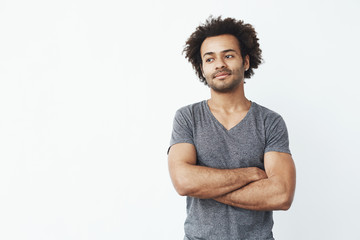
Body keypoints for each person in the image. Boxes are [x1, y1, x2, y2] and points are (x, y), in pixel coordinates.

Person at [167, 16, 296, 240]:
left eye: (228, 55)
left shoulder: (270, 122)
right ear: (202, 68)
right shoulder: (187, 117)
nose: (219, 64)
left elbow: (281, 194)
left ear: (245, 62)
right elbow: (184, 181)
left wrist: (206, 186)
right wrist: (251, 174)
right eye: (210, 59)